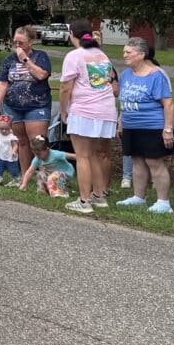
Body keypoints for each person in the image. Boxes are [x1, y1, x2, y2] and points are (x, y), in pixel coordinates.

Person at [59, 18, 116, 214]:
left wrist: (64, 109)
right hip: (105, 109)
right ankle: (99, 196)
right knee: (93, 154)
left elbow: (65, 87)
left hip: (84, 110)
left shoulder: (74, 56)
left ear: (71, 34)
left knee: (82, 156)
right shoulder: (102, 55)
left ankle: (84, 200)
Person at [115, 37, 174, 213]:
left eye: (129, 52)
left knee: (154, 161)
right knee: (137, 160)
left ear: (141, 54)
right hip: (131, 125)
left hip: (152, 125)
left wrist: (168, 129)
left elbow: (168, 104)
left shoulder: (156, 75)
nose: (124, 55)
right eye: (124, 51)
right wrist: (121, 121)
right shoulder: (126, 74)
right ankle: (138, 197)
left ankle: (163, 202)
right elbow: (124, 100)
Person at [0, 26, 52, 180]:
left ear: (30, 42)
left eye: (21, 42)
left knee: (38, 142)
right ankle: (25, 175)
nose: (17, 46)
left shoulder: (41, 56)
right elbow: (3, 83)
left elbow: (41, 75)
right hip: (13, 106)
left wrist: (25, 59)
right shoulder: (8, 60)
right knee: (21, 142)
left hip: (37, 105)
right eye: (15, 42)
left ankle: (46, 177)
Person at [0, 115, 20, 186]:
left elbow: (15, 145)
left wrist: (14, 151)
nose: (4, 131)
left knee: (13, 168)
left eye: (6, 129)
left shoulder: (11, 137)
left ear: (10, 128)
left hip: (10, 156)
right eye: (1, 129)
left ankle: (16, 179)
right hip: (0, 155)